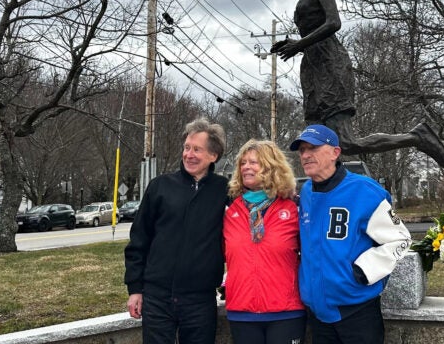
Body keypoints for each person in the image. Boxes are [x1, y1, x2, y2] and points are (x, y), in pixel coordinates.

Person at [271, 0, 444, 169]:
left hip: (330, 66)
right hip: (312, 68)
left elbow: (334, 23)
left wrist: (300, 44)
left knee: (345, 142)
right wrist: (296, 43)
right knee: (314, 138)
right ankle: (329, 187)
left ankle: (416, 137)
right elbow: (316, 27)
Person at [290, 124, 411, 344]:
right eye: (302, 150)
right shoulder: (306, 192)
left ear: (335, 152)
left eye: (313, 148)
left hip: (357, 311)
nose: (306, 155)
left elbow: (400, 238)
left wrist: (364, 271)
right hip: (317, 314)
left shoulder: (366, 191)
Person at [124, 117, 229, 344]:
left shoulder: (224, 191)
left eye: (197, 149)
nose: (189, 154)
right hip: (157, 297)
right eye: (187, 148)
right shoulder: (160, 186)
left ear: (213, 156)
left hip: (200, 299)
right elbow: (138, 241)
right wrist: (135, 289)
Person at [223, 139, 306, 344]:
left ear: (271, 167)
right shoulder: (229, 210)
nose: (246, 167)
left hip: (286, 311)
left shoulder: (294, 208)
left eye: (254, 162)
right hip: (242, 311)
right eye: (243, 163)